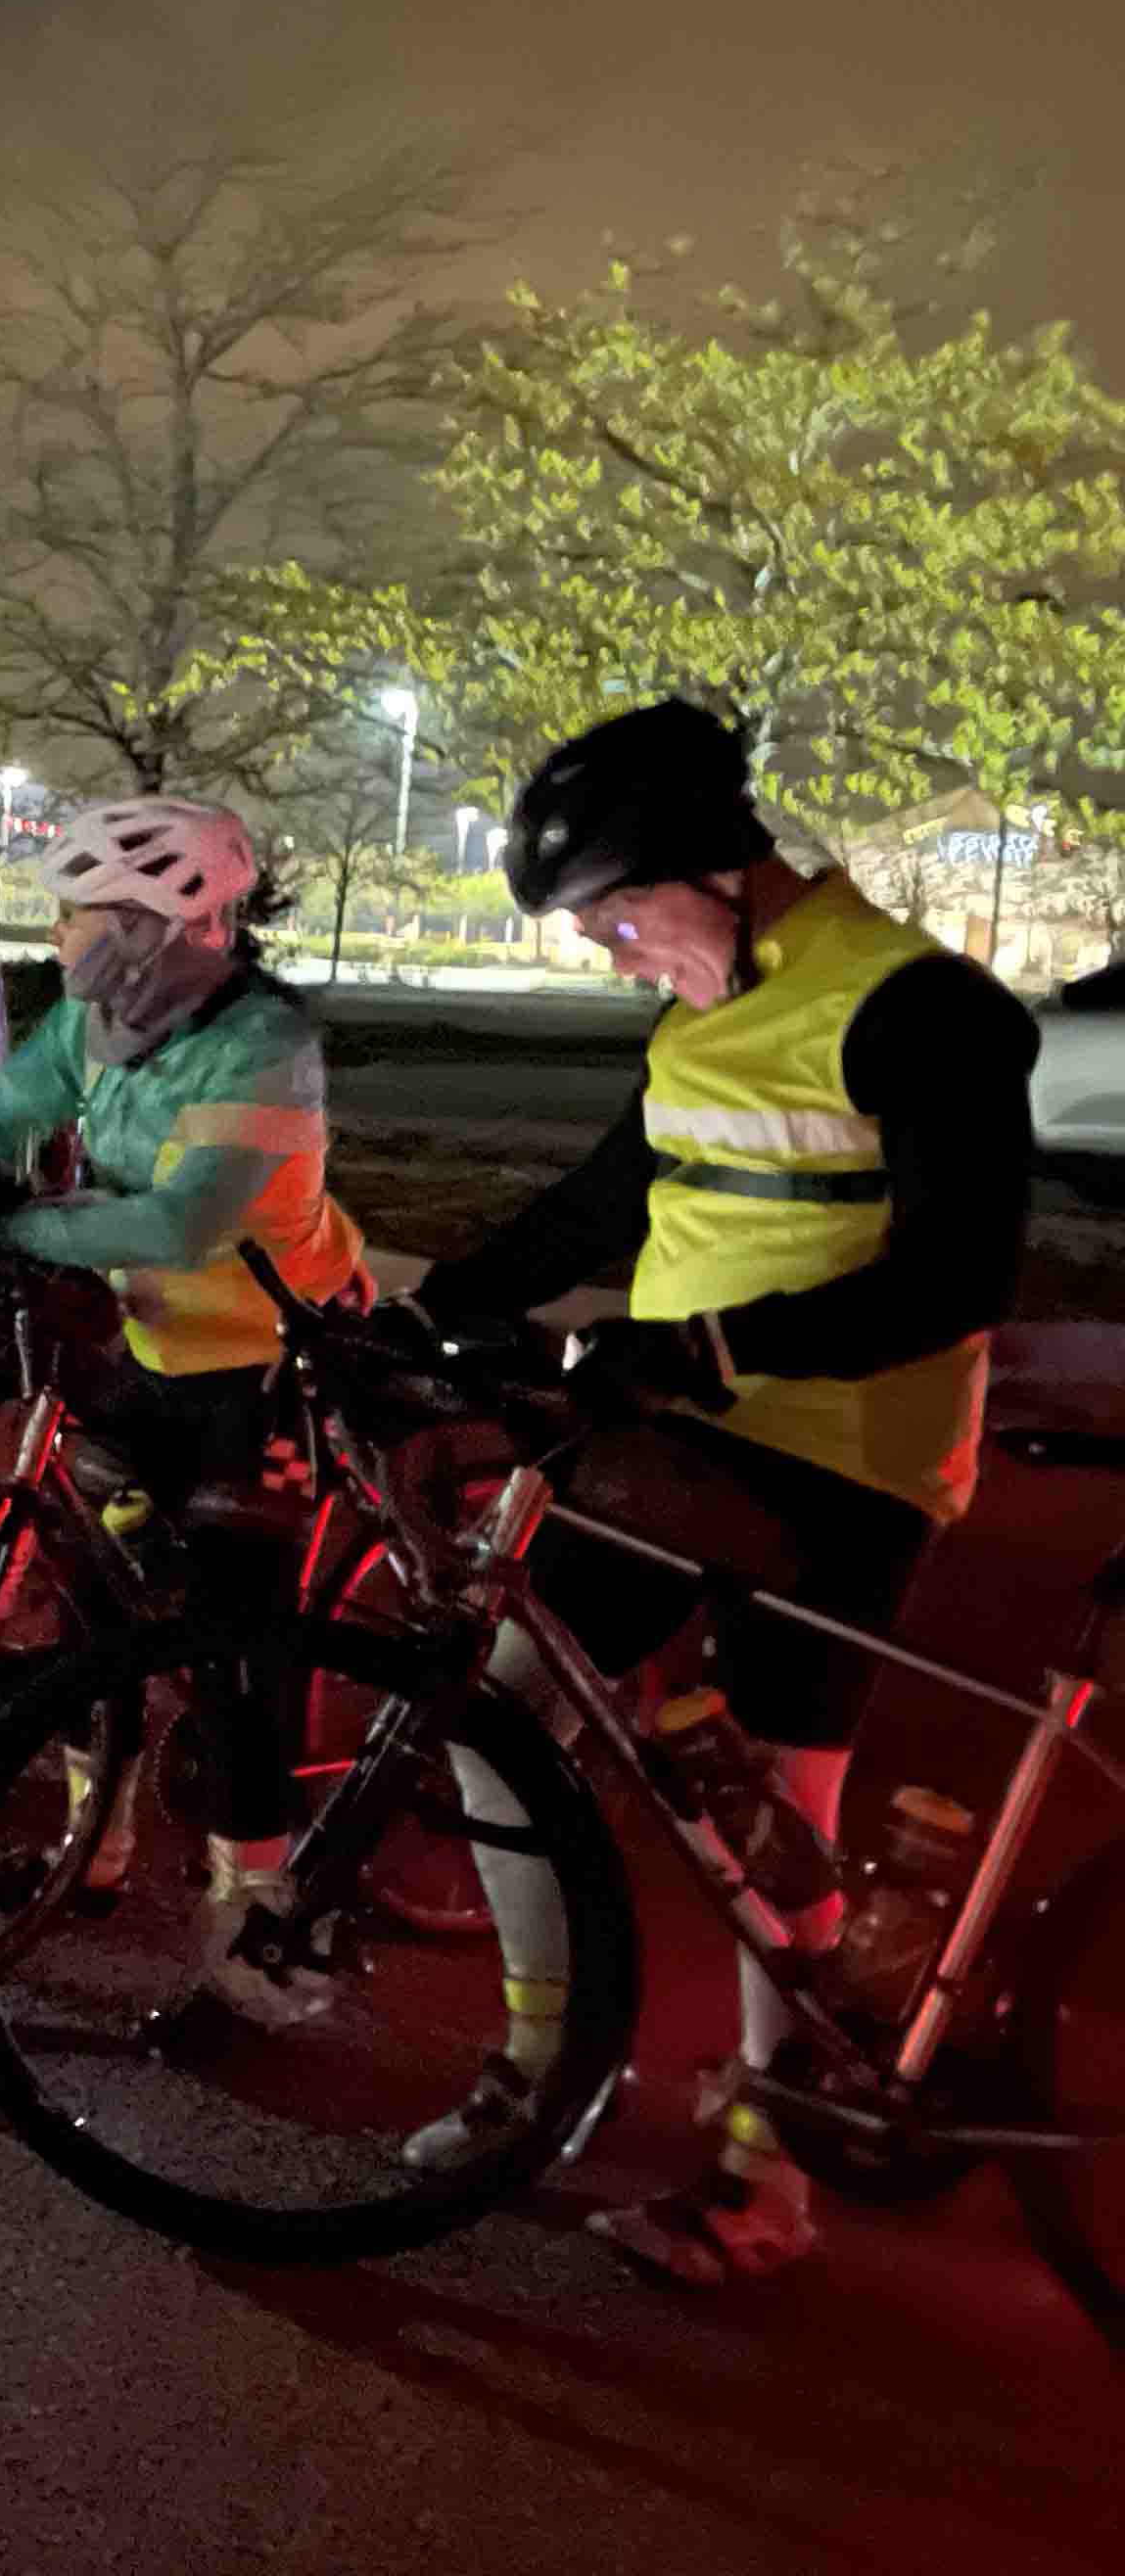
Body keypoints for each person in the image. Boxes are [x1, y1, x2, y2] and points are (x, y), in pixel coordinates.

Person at [394, 697, 1036, 2286]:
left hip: (844, 1457)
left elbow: (960, 1272)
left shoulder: (917, 1006)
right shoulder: (703, 1011)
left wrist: (710, 1345)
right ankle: (554, 2062)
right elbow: (603, 1203)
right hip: (689, 1425)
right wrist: (431, 1308)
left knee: (772, 1803)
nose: (614, 955)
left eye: (619, 919)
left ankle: (763, 2173)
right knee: (513, 1711)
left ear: (718, 872)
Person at [0, 794, 372, 2012]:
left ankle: (254, 1913)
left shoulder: (263, 1043)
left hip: (261, 1365)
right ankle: (95, 1848)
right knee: (87, 1604)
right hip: (149, 1351)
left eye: (77, 913)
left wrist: (19, 1222)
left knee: (234, 1652)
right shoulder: (100, 1019)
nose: (57, 936)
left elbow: (181, 1224)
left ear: (146, 925)